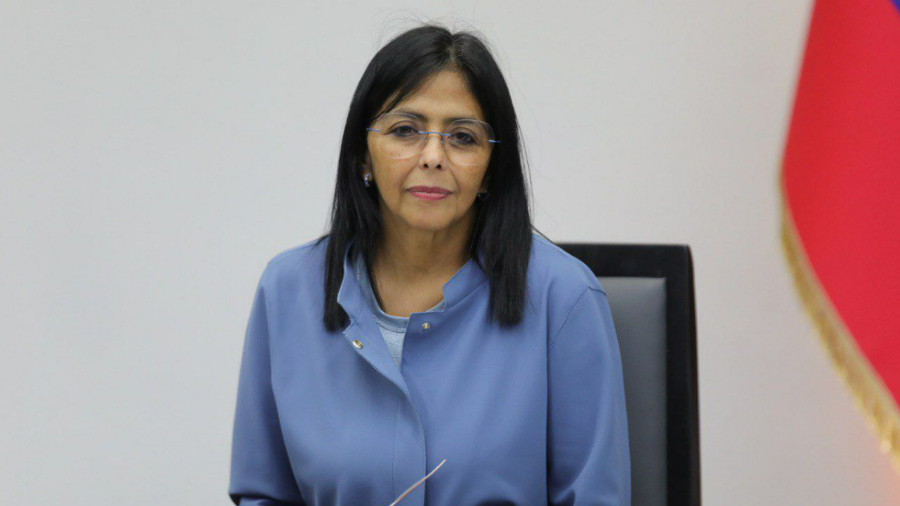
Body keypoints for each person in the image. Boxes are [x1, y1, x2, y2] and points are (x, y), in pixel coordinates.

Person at [228, 22, 631, 506]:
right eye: (405, 130)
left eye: (463, 137)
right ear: (363, 155)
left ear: (489, 169)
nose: (433, 156)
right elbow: (264, 494)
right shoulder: (288, 290)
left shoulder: (562, 297)